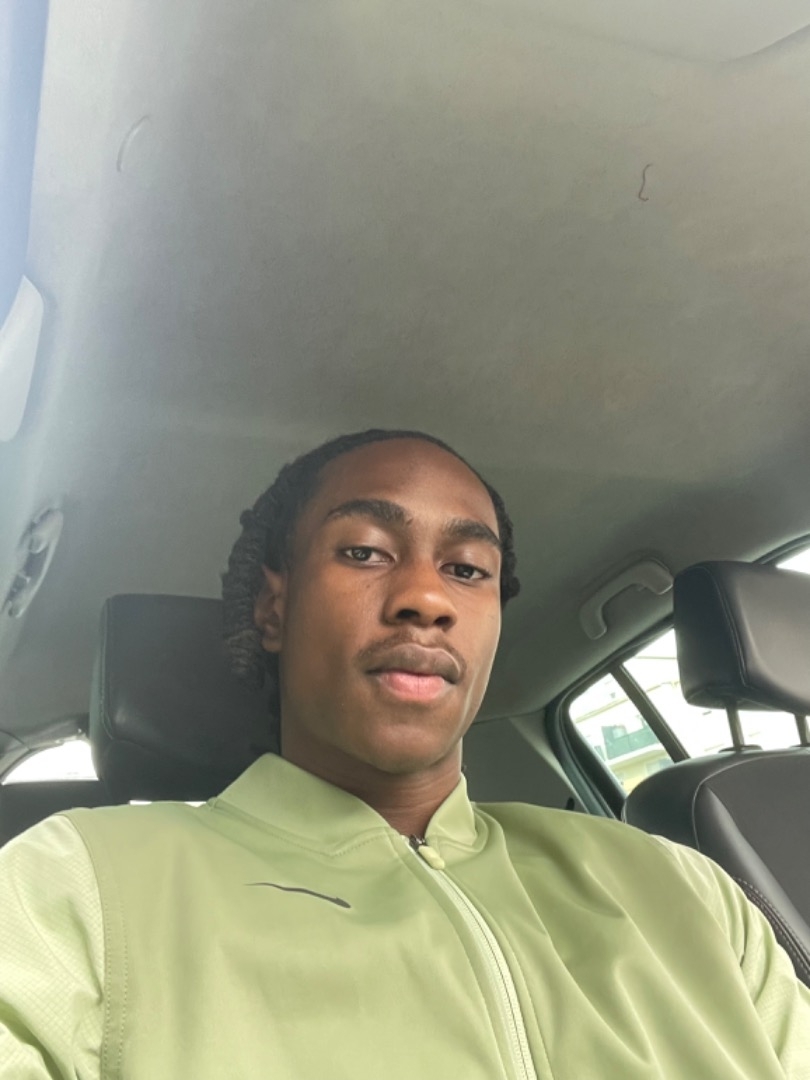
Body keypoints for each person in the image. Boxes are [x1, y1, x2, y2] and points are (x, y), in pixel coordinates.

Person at [1, 428, 809, 1079]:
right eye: (364, 551)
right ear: (274, 609)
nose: (426, 598)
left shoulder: (686, 889)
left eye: (467, 569)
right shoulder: (71, 886)